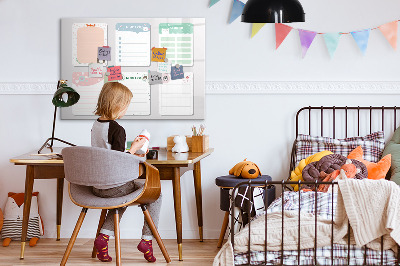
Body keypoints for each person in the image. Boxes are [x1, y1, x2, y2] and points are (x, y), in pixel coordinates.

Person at [91, 82, 161, 263]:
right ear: (117, 105)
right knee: (156, 194)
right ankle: (147, 240)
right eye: (126, 106)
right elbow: (119, 161)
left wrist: (131, 150)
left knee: (121, 197)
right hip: (114, 186)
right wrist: (136, 148)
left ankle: (103, 238)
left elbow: (108, 154)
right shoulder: (117, 129)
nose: (126, 110)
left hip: (97, 186)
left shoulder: (96, 125)